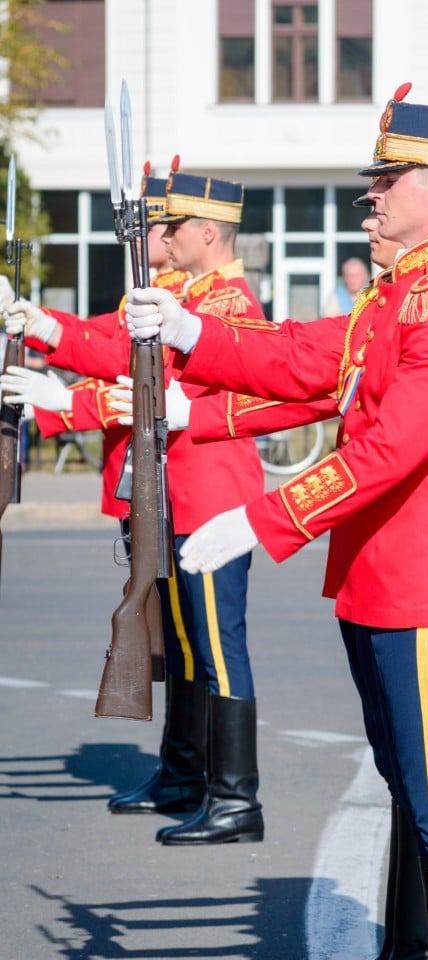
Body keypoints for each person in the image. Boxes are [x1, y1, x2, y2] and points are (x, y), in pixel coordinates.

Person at [124, 83, 428, 958]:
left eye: (388, 178)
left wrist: (262, 520)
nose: (370, 194)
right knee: (413, 789)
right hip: (389, 584)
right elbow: (303, 355)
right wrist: (190, 330)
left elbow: (390, 453)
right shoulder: (398, 295)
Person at [3, 172, 268, 847]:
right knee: (181, 647)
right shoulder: (185, 297)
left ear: (207, 233)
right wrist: (37, 324)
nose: (160, 239)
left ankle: (236, 798)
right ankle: (184, 775)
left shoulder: (229, 304)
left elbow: (152, 387)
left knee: (216, 649)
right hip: (174, 493)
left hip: (210, 499)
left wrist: (65, 400)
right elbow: (114, 349)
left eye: (170, 226)